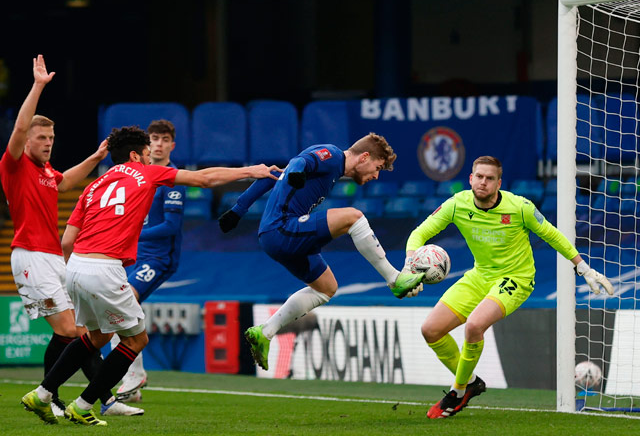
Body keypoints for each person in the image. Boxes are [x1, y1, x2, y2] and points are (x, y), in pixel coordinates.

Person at [21, 125, 280, 426]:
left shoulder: (93, 186)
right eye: (146, 152)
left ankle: (42, 394)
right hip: (105, 269)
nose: (149, 157)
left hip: (75, 266)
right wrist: (254, 170)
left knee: (96, 336)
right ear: (135, 155)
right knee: (136, 340)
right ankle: (82, 404)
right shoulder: (148, 173)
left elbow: (67, 241)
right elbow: (205, 179)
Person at [405, 155, 614, 419]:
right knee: (430, 330)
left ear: (498, 183)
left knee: (474, 326)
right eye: (479, 177)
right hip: (479, 276)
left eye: (489, 178)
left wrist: (582, 267)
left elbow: (551, 234)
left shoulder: (519, 207)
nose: (483, 183)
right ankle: (471, 383)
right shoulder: (457, 204)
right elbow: (418, 234)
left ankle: (457, 391)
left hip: (516, 278)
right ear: (470, 179)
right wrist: (409, 267)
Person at [0, 55, 142, 418]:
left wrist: (95, 157)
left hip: (54, 257)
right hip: (30, 255)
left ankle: (86, 399)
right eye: (41, 137)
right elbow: (17, 131)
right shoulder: (13, 164)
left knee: (80, 332)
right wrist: (38, 86)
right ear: (27, 139)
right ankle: (53, 397)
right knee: (68, 328)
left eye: (51, 137)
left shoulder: (47, 171)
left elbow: (66, 182)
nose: (48, 142)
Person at [218, 133, 427, 371]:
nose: (376, 175)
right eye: (377, 168)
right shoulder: (333, 155)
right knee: (354, 218)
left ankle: (265, 333)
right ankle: (394, 279)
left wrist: (237, 210)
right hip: (282, 229)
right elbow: (298, 164)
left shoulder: (332, 168)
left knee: (327, 288)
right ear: (364, 157)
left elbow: (273, 175)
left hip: (276, 237)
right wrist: (296, 172)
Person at [113, 119, 185, 402]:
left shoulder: (172, 178)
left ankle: (134, 373)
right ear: (147, 143)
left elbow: (171, 226)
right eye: (155, 138)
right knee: (117, 305)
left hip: (158, 257)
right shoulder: (140, 175)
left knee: (125, 299)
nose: (159, 144)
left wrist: (133, 233)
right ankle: (131, 384)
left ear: (172, 145)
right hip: (132, 255)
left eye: (165, 139)